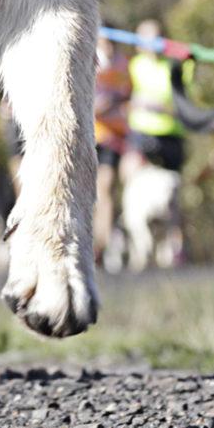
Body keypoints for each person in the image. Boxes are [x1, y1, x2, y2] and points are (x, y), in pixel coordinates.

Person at [122, 20, 194, 264]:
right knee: (129, 175)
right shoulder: (134, 65)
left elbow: (183, 104)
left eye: (155, 39)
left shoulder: (175, 67)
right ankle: (134, 240)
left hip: (171, 134)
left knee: (173, 196)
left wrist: (159, 107)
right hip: (141, 133)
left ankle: (175, 246)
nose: (149, 45)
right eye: (144, 39)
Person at [93, 37, 133, 271]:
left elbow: (127, 94)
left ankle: (102, 247)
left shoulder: (123, 65)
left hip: (113, 137)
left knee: (105, 189)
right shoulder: (86, 58)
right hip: (87, 136)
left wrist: (112, 102)